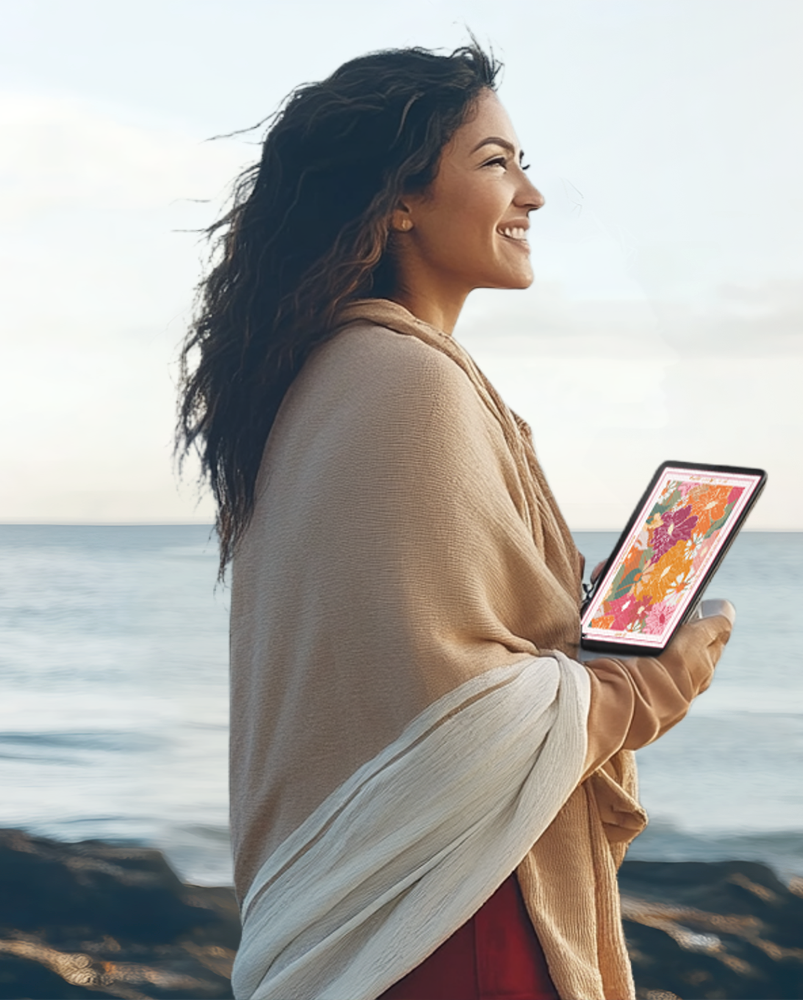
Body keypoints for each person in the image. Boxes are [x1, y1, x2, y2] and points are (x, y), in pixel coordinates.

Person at [176, 43, 733, 1000]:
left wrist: (556, 620)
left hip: (391, 919)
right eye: (494, 162)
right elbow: (456, 719)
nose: (531, 195)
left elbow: (401, 667)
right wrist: (649, 680)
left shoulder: (319, 381)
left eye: (524, 164)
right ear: (398, 199)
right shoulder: (408, 385)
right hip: (457, 926)